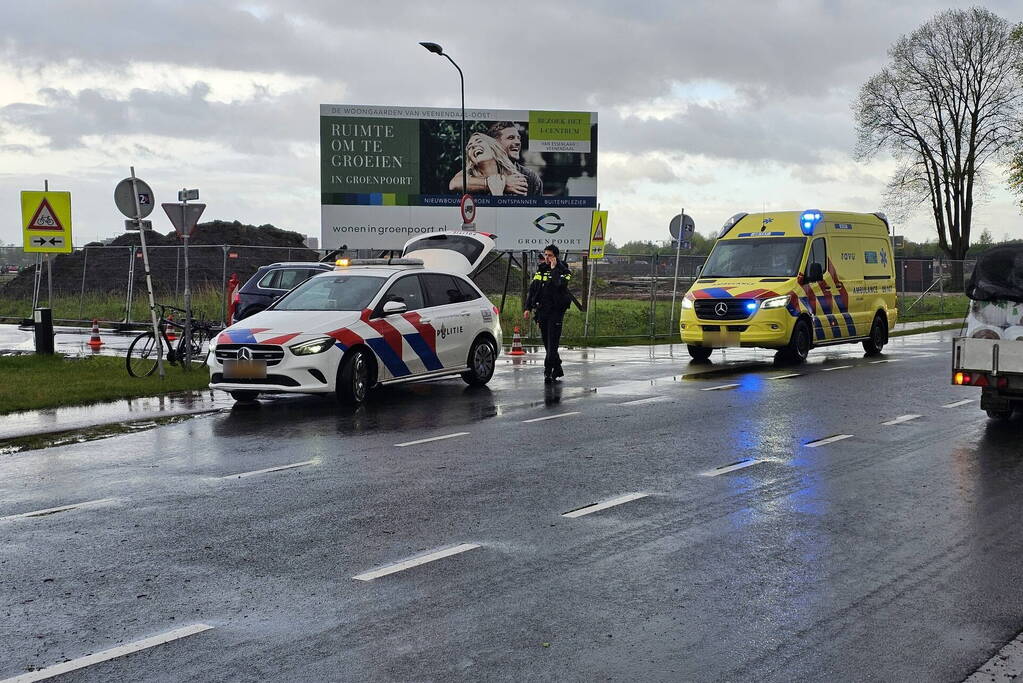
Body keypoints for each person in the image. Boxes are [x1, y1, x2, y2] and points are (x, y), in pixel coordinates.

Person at [449, 122, 543, 196]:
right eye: (511, 138)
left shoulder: (529, 177)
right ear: (495, 144)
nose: (518, 142)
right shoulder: (470, 174)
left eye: (519, 138)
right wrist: (503, 183)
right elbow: (454, 183)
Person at [524, 244, 572, 382]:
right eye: (545, 255)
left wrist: (554, 269)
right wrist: (528, 308)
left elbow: (559, 285)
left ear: (556, 257)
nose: (547, 257)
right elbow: (533, 290)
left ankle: (548, 370)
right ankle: (557, 368)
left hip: (556, 311)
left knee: (553, 342)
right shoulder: (541, 271)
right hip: (542, 311)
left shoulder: (564, 271)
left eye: (550, 255)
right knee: (546, 342)